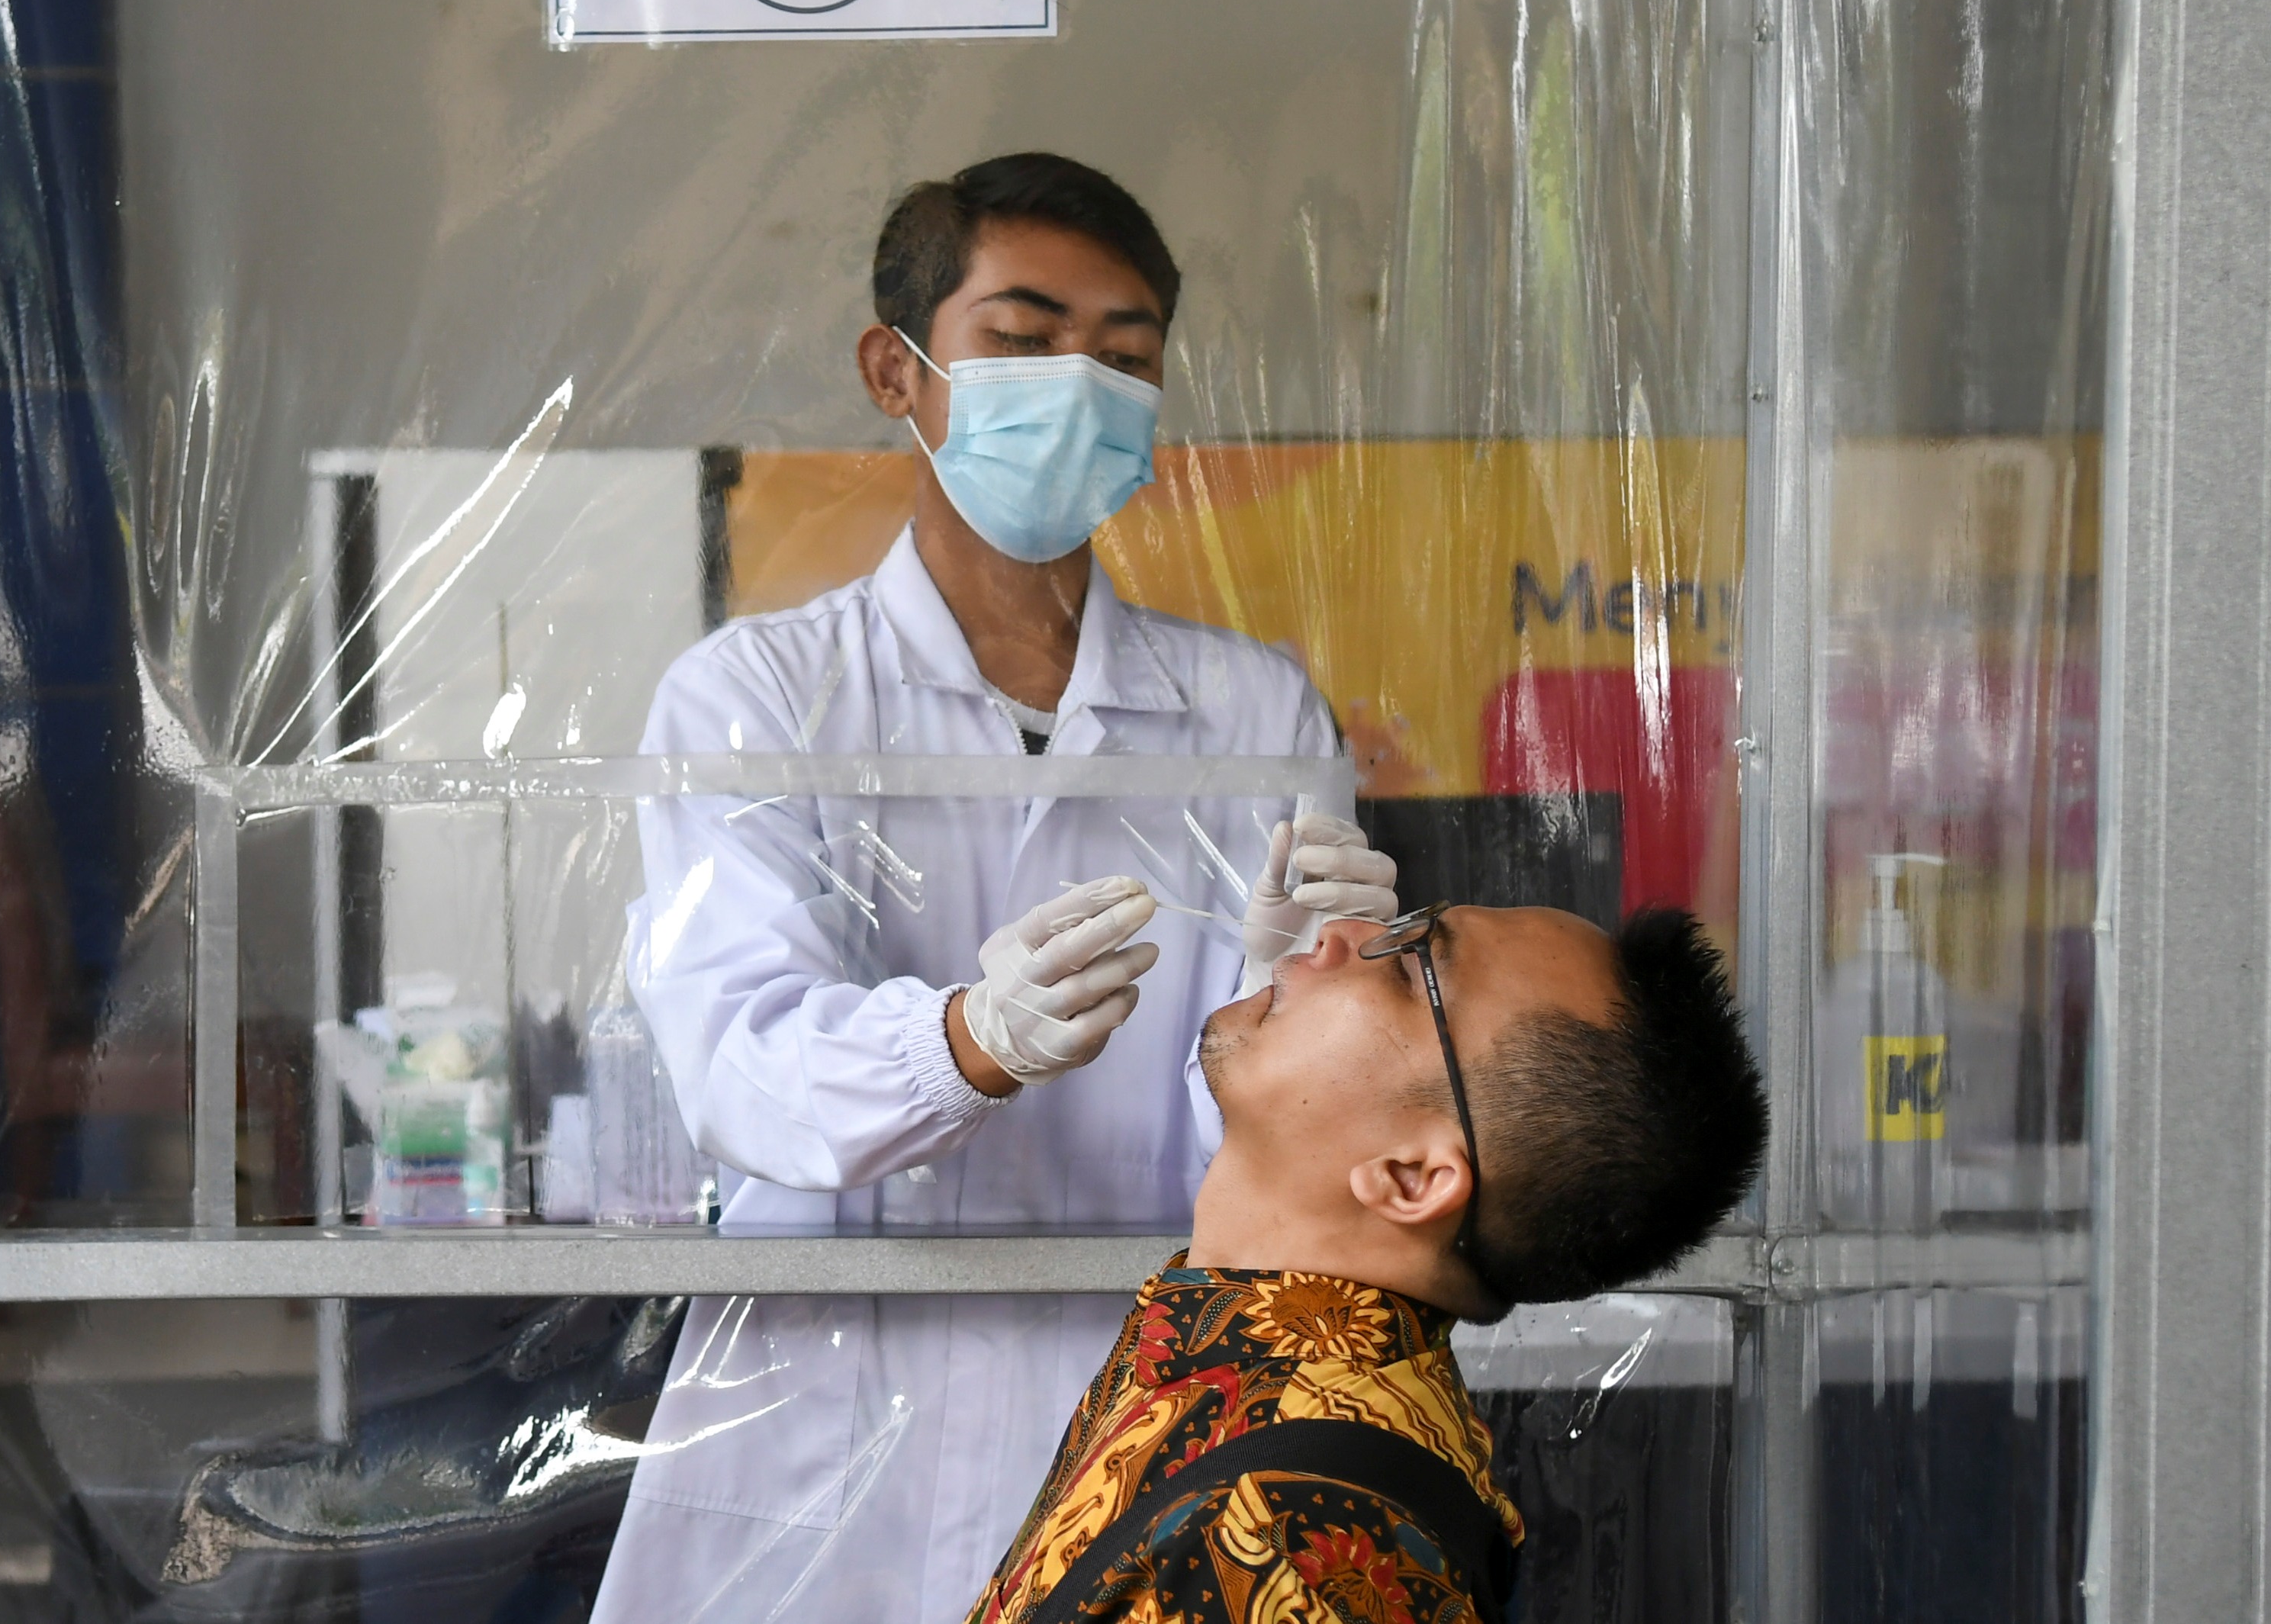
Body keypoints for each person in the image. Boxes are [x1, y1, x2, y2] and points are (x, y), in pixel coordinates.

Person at [590, 153, 1400, 1621]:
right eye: (1020, 342)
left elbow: (1291, 1147)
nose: (1075, 386)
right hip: (822, 1428)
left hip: (1138, 1405)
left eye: (1124, 355)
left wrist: (1302, 1014)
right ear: (892, 372)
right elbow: (738, 1064)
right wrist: (966, 1040)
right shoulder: (754, 695)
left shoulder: (1251, 711)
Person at [964, 902, 1769, 1624]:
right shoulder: (1239, 1362)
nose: (1337, 933)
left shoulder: (1283, 1533)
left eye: (1407, 967)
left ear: (1411, 1178)